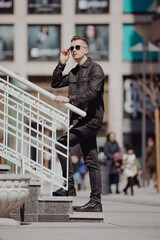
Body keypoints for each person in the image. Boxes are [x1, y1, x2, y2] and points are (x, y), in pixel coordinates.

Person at [51, 35, 105, 212]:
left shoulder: (96, 69)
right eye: (72, 47)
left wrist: (69, 98)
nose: (74, 50)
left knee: (61, 143)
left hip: (91, 119)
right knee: (92, 161)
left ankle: (69, 187)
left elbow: (93, 93)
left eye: (77, 47)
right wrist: (62, 63)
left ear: (86, 50)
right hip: (78, 121)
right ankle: (95, 202)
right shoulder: (73, 72)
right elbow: (56, 82)